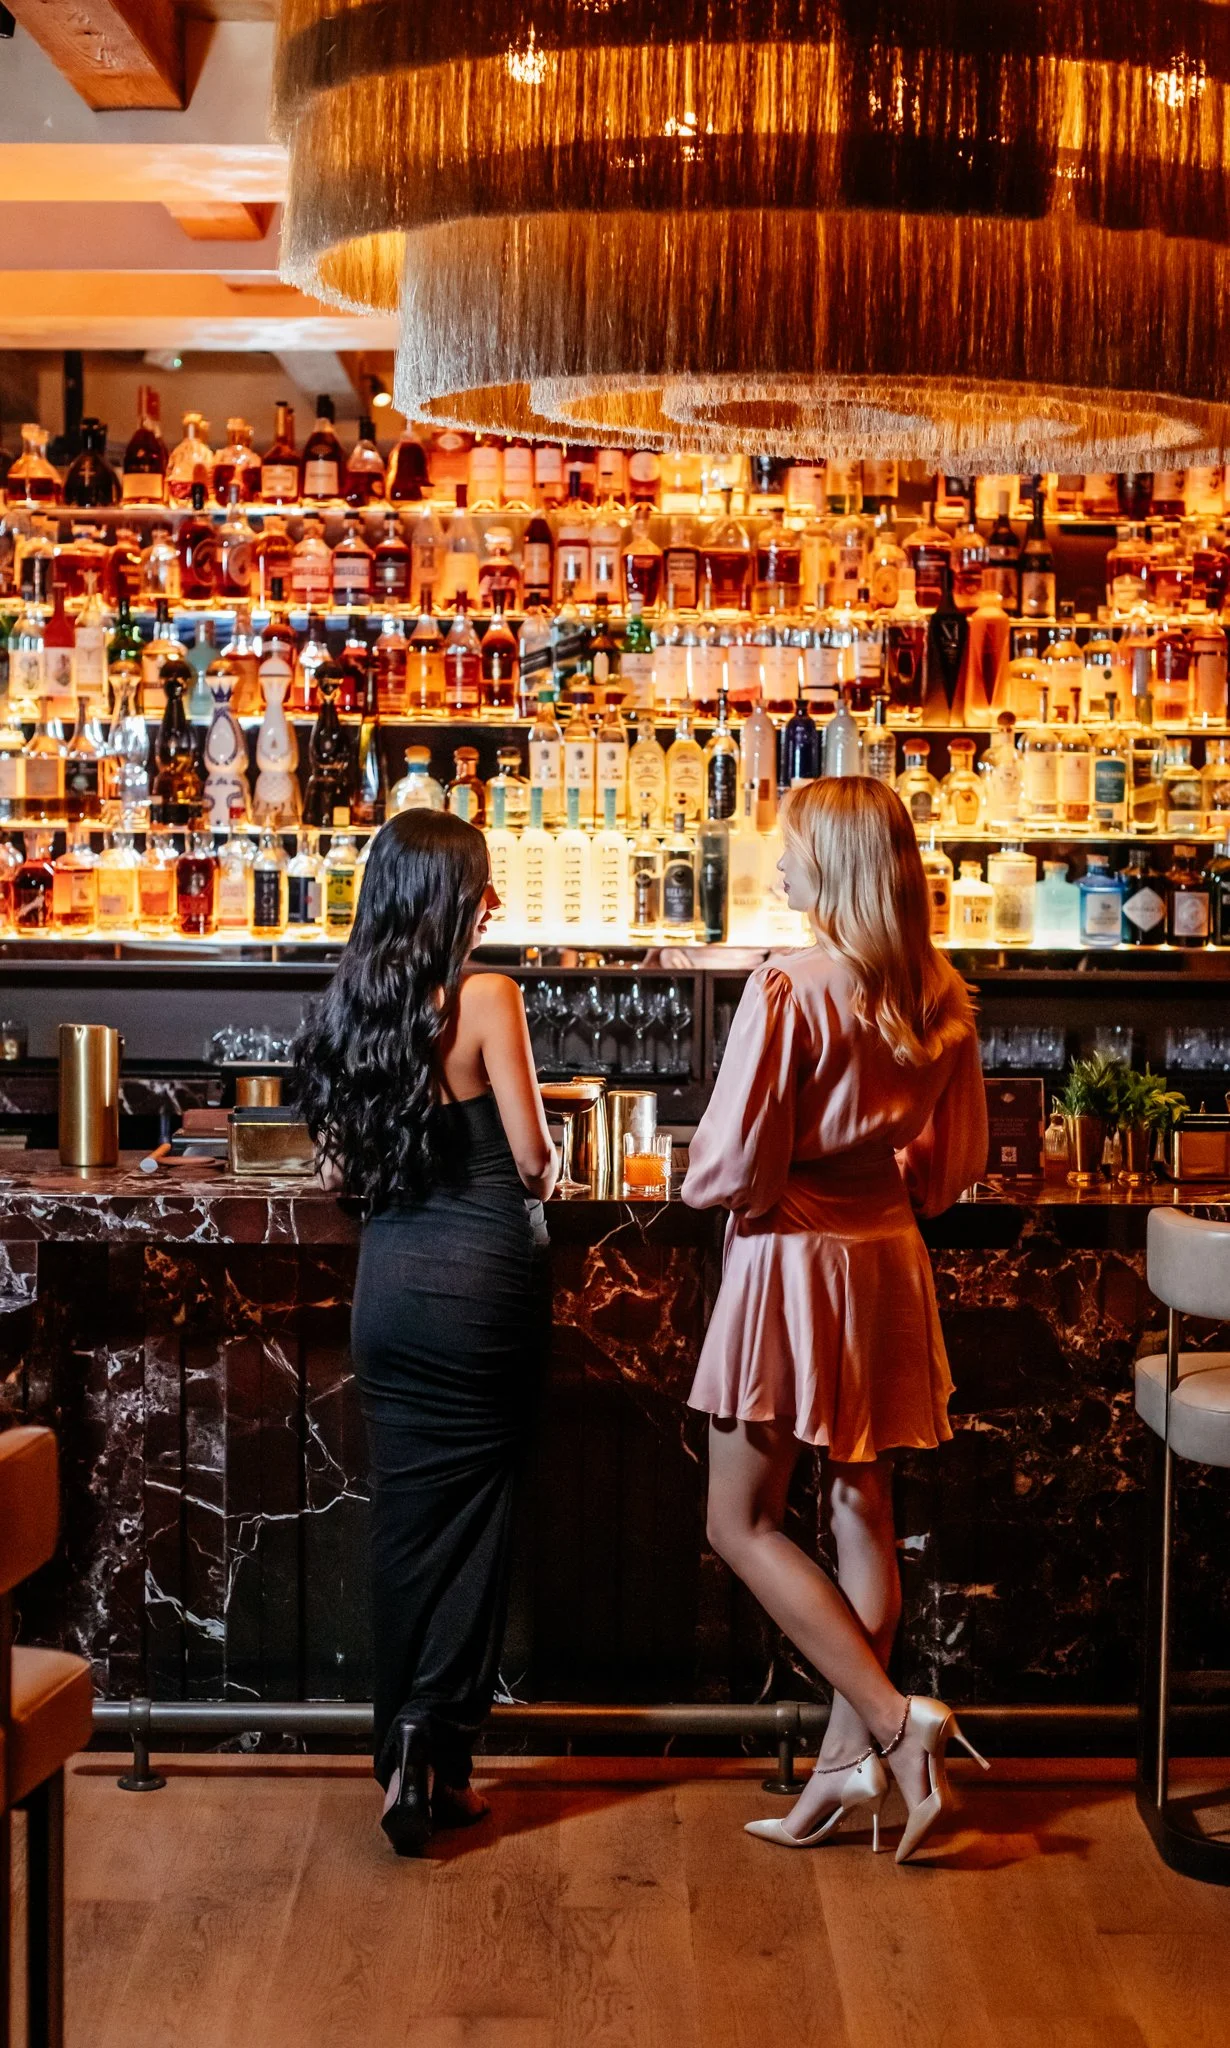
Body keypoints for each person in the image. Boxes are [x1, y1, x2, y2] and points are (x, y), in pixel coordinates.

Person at [683, 777, 990, 1862]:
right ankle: (837, 1772)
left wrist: (733, 1184)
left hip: (789, 1260)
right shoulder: (941, 993)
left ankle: (900, 1727)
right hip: (886, 1261)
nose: (776, 866)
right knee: (860, 1503)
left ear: (840, 866)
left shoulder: (787, 988)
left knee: (741, 1521)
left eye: (794, 848)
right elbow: (947, 1169)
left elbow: (729, 1166)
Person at [294, 810, 557, 1855]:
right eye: (483, 886)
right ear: (455, 897)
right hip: (488, 1284)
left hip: (393, 1290)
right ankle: (435, 1741)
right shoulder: (489, 995)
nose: (492, 901)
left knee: (406, 1527)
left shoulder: (347, 1004)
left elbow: (337, 1168)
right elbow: (534, 1160)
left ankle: (403, 1749)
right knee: (480, 1521)